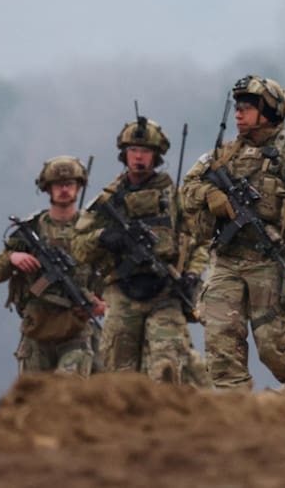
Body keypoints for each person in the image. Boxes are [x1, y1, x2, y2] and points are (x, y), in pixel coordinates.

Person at [180, 75, 285, 391]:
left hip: (269, 262)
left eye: (247, 108)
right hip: (227, 260)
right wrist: (210, 196)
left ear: (269, 111)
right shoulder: (223, 155)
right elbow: (188, 188)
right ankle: (235, 414)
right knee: (220, 340)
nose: (238, 114)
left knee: (272, 345)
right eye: (237, 107)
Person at [72, 115, 200, 383]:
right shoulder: (108, 200)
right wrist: (105, 237)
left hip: (165, 292)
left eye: (145, 151)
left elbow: (200, 241)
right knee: (118, 375)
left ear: (156, 156)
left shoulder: (174, 197)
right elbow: (79, 246)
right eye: (133, 151)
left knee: (168, 363)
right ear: (124, 155)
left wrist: (194, 274)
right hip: (122, 292)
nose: (138, 157)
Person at [0, 156, 104, 376]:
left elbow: (112, 272)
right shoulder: (31, 230)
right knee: (33, 399)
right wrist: (13, 258)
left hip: (76, 328)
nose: (64, 189)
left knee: (69, 392)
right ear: (47, 189)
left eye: (69, 184)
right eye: (58, 185)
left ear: (79, 187)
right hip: (37, 329)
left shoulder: (93, 231)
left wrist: (103, 304)